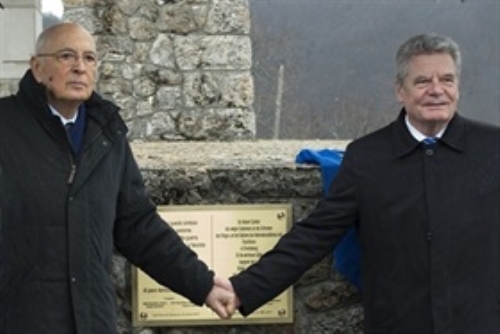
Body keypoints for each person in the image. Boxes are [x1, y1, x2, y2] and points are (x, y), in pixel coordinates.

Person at [217, 33, 500, 333]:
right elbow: (316, 234)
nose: (436, 90)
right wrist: (244, 289)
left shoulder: (492, 148)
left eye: (447, 80)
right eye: (422, 82)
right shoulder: (367, 158)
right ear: (400, 91)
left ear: (458, 87)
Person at [0, 22, 235, 333]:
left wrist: (202, 284)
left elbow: (137, 225)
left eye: (89, 58)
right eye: (67, 56)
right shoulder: (6, 127)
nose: (79, 68)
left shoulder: (107, 135)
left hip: (92, 320)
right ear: (38, 68)